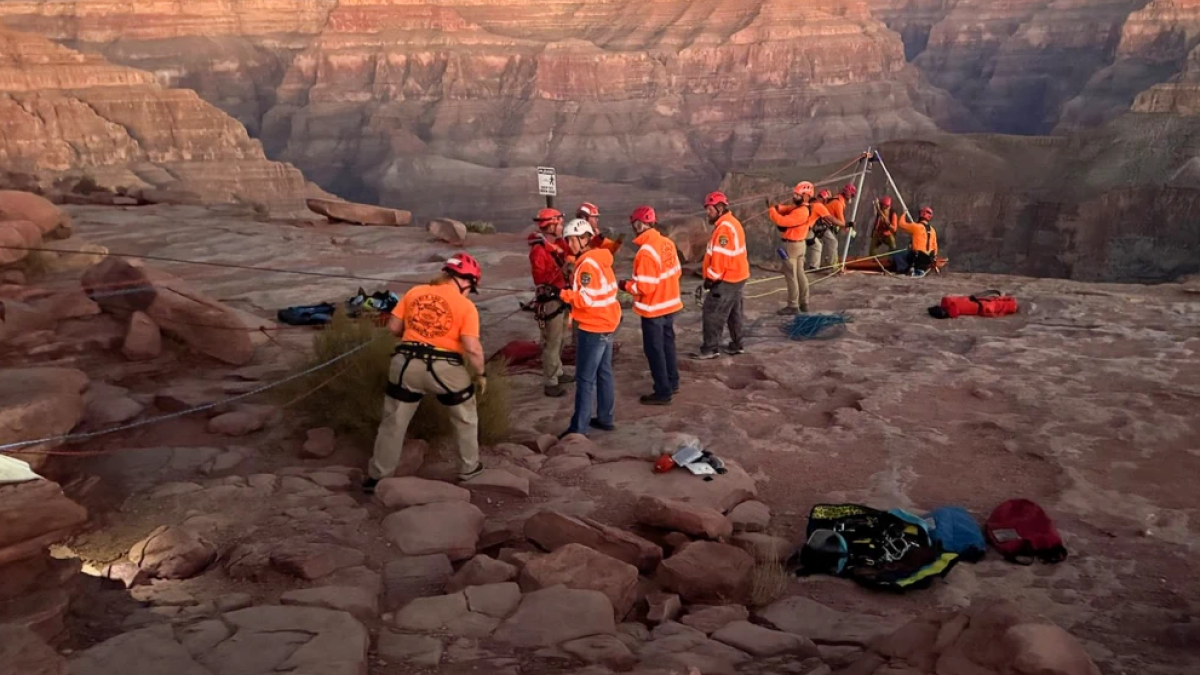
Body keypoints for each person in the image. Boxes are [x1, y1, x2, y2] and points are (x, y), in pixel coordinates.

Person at [363, 253, 487, 492]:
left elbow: (393, 328)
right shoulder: (466, 307)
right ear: (464, 280)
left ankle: (378, 476)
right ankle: (469, 468)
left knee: (394, 421)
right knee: (465, 416)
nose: (470, 291)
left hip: (406, 365)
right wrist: (480, 374)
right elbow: (472, 348)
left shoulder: (414, 292)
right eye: (471, 286)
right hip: (445, 369)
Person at [554, 218, 621, 436]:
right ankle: (605, 418)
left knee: (584, 379)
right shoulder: (601, 260)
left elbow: (586, 300)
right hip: (607, 323)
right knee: (604, 373)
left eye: (572, 240)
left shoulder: (587, 266)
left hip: (593, 326)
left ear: (584, 239)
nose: (569, 245)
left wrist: (563, 294)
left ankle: (579, 428)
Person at [618, 206, 682, 405]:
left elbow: (644, 287)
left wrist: (625, 285)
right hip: (669, 306)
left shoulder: (645, 253)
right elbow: (677, 271)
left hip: (653, 309)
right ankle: (673, 382)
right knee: (667, 345)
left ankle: (663, 391)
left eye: (634, 225)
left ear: (639, 224)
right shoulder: (667, 243)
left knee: (654, 350)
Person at [695, 191, 750, 359]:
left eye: (710, 210)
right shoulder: (731, 223)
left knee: (712, 312)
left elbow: (720, 258)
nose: (707, 213)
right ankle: (736, 344)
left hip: (727, 278)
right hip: (737, 275)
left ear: (719, 208)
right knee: (734, 311)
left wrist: (711, 278)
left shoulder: (724, 229)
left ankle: (710, 348)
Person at [529, 208, 573, 397]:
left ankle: (558, 371)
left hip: (563, 296)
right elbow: (540, 279)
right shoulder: (538, 251)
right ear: (551, 225)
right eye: (560, 223)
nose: (562, 227)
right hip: (551, 301)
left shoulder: (561, 243)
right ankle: (550, 381)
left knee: (561, 337)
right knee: (552, 341)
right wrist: (561, 269)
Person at [768, 181, 827, 314]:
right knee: (800, 274)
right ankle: (804, 302)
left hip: (792, 246)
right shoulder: (803, 208)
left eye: (797, 194)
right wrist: (777, 207)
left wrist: (771, 210)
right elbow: (788, 208)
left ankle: (793, 305)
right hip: (799, 246)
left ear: (805, 196)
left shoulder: (801, 212)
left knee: (791, 275)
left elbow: (781, 221)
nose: (794, 197)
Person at [806, 188, 845, 271]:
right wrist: (845, 224)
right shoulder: (819, 206)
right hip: (806, 230)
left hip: (806, 228)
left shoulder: (811, 204)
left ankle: (814, 267)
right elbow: (831, 218)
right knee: (830, 242)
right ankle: (831, 265)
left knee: (817, 245)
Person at [895, 206, 938, 277]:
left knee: (896, 255)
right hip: (927, 259)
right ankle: (916, 268)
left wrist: (904, 213)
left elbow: (901, 224)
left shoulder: (916, 227)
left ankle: (904, 269)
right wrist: (934, 258)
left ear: (922, 214)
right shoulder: (933, 230)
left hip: (917, 257)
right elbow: (935, 247)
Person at [827, 184, 857, 266]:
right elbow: (842, 222)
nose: (851, 197)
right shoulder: (838, 204)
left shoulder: (838, 198)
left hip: (828, 223)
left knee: (831, 243)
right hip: (824, 224)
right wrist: (850, 232)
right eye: (852, 195)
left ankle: (831, 263)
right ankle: (833, 266)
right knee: (833, 243)